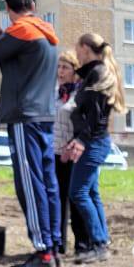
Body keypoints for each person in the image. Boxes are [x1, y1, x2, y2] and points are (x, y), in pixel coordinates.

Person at [0, 0, 61, 267]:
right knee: (47, 184)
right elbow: (14, 55)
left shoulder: (21, 31)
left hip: (24, 118)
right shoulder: (45, 33)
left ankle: (43, 253)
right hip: (45, 117)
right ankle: (52, 246)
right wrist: (2, 35)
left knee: (30, 184)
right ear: (33, 4)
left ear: (9, 9)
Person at [62, 32, 126, 264]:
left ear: (85, 48)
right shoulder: (93, 73)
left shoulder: (97, 74)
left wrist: (81, 140)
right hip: (94, 140)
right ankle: (101, 242)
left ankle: (99, 244)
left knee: (77, 192)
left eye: (77, 49)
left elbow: (95, 115)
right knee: (90, 192)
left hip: (94, 142)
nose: (76, 53)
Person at [53, 50, 90, 256]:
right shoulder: (54, 93)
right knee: (57, 199)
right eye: (59, 67)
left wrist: (73, 144)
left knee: (75, 199)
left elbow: (83, 124)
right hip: (55, 154)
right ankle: (59, 243)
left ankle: (82, 244)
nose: (60, 71)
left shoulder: (78, 94)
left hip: (73, 154)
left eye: (65, 67)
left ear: (75, 71)